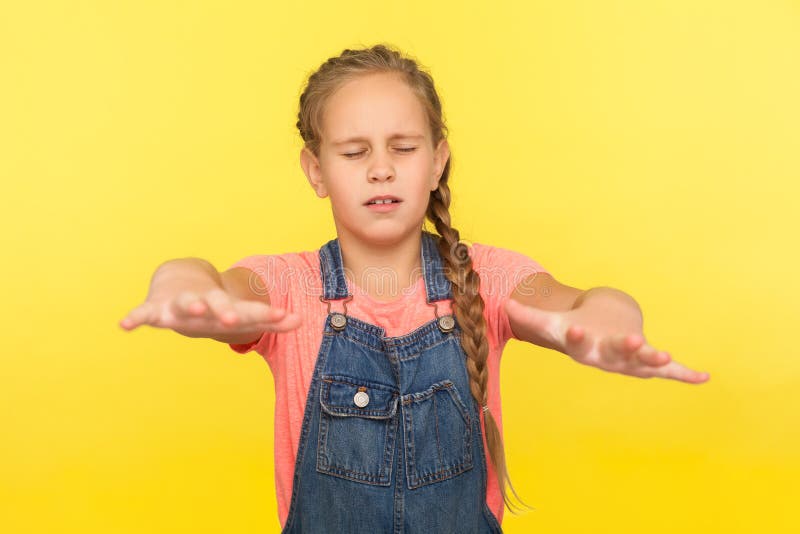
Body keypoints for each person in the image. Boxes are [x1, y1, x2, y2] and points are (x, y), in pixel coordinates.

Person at [119, 43, 710, 533]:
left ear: (436, 162)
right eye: (355, 152)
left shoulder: (487, 278)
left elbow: (579, 303)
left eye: (403, 148)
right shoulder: (289, 288)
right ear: (316, 171)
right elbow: (212, 281)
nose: (381, 168)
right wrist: (184, 290)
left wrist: (606, 324)